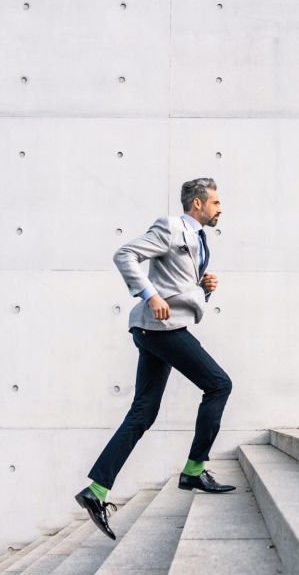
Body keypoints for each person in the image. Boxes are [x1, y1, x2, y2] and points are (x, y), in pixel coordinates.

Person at [75, 178, 236, 540]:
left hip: (157, 330)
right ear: (197, 204)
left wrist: (202, 288)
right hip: (161, 329)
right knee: (219, 384)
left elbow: (177, 284)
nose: (220, 208)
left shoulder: (198, 238)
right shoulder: (169, 226)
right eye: (215, 202)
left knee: (143, 412)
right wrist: (150, 296)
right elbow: (124, 255)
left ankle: (96, 491)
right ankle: (194, 469)